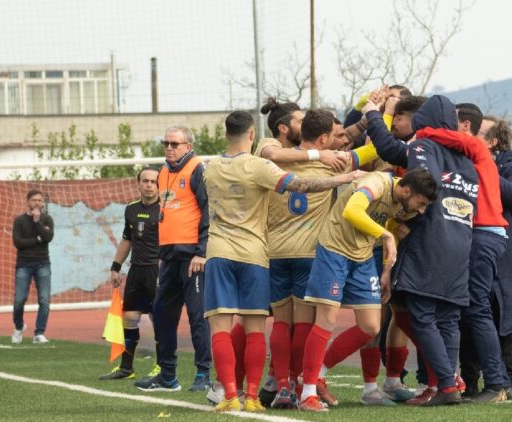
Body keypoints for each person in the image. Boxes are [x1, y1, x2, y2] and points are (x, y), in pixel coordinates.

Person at [203, 111, 363, 413]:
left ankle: (229, 394)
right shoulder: (262, 167)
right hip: (259, 254)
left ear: (226, 134)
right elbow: (300, 184)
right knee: (260, 328)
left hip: (227, 252)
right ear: (251, 135)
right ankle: (258, 394)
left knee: (222, 329)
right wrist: (343, 178)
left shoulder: (210, 169)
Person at [364, 95, 479, 406]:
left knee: (422, 315)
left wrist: (404, 221)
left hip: (431, 241)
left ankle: (445, 385)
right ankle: (448, 383)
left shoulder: (422, 146)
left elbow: (424, 188)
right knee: (449, 319)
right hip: (461, 242)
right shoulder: (468, 159)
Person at [299, 168, 439, 412]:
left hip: (362, 258)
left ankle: (317, 374)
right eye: (421, 202)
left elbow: (389, 229)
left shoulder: (400, 203)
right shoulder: (376, 183)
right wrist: (385, 234)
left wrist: (386, 270)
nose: (421, 209)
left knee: (371, 327)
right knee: (326, 319)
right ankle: (307, 392)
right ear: (406, 190)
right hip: (334, 251)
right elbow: (352, 211)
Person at [421, 105, 511, 403]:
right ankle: (489, 384)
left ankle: (498, 384)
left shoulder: (477, 149)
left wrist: (422, 131)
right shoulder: (466, 158)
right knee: (468, 309)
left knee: (477, 309)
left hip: (484, 234)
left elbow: (462, 140)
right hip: (481, 235)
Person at [134, 126, 211, 393]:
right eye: (166, 142)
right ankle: (168, 376)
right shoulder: (164, 171)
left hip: (192, 257)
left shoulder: (198, 169)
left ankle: (204, 374)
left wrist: (202, 252)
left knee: (198, 316)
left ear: (188, 146)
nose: (169, 147)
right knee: (163, 315)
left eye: (174, 143)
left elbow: (208, 209)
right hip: (168, 257)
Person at [459, 116, 512, 401]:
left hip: (505, 252)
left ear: (493, 141)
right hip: (471, 245)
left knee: (504, 316)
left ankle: (506, 383)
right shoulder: (464, 163)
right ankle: (470, 380)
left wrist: (483, 167)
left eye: (479, 133)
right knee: (470, 312)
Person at [100, 167, 161, 381]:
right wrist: (116, 266)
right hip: (136, 270)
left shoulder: (166, 210)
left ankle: (162, 367)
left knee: (159, 318)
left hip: (157, 270)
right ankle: (127, 368)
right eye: (145, 181)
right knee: (129, 317)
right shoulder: (131, 209)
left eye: (153, 182)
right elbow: (127, 239)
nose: (149, 185)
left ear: (159, 185)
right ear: (138, 184)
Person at [11, 189, 54, 344]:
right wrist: (37, 239)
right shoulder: (19, 221)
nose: (37, 203)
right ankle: (19, 326)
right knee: (19, 299)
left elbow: (48, 237)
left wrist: (37, 223)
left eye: (40, 200)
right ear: (27, 201)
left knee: (44, 300)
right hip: (24, 264)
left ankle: (39, 333)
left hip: (43, 263)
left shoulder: (47, 219)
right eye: (34, 200)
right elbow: (18, 243)